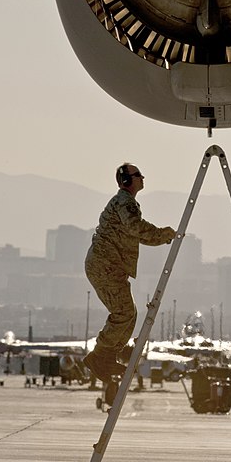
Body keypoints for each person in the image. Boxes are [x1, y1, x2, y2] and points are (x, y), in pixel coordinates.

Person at [83, 163, 176, 383]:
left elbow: (137, 234)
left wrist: (161, 237)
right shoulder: (125, 202)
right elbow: (137, 229)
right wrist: (163, 234)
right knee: (123, 313)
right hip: (105, 266)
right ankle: (100, 356)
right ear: (127, 181)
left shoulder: (125, 202)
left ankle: (106, 355)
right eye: (137, 175)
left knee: (128, 313)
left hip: (108, 267)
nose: (142, 178)